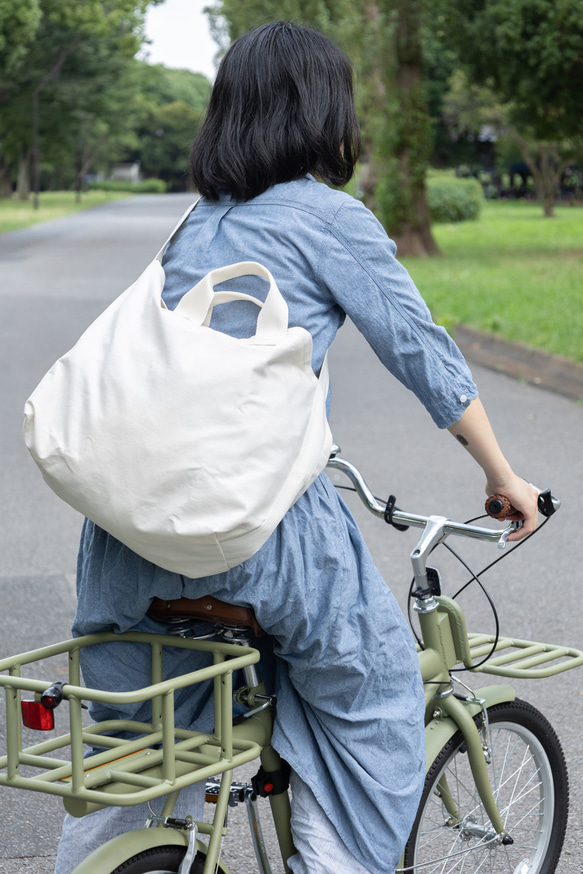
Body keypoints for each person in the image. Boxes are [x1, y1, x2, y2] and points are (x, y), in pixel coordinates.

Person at [54, 20, 538, 874]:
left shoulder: (192, 226)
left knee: (131, 745)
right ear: (324, 112)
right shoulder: (328, 220)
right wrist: (502, 476)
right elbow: (422, 353)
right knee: (373, 693)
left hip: (126, 545)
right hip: (259, 540)